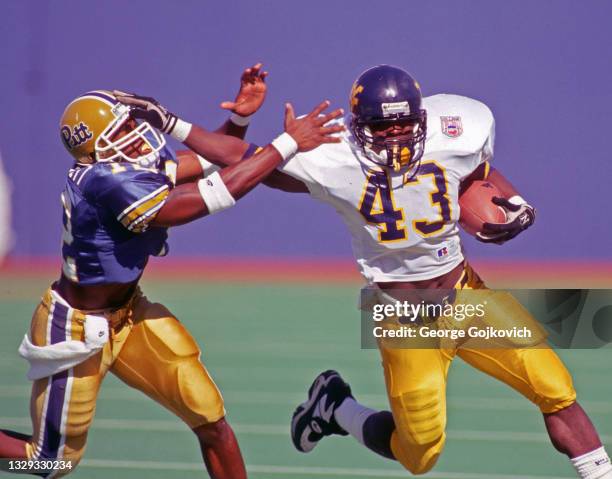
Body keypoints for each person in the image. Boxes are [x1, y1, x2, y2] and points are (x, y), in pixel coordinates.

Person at [195, 64, 610, 478]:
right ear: (360, 126)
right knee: (420, 455)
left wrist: (515, 201)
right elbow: (245, 161)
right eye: (382, 127)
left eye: (404, 124)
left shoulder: (454, 134)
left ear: (421, 119)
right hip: (403, 319)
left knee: (557, 390)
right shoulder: (335, 158)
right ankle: (337, 408)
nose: (395, 136)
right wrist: (222, 125)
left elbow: (478, 170)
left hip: (467, 297)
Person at [0, 64, 344, 479]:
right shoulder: (105, 181)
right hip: (75, 328)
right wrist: (287, 143)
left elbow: (211, 163)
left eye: (131, 126)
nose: (136, 136)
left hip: (129, 313)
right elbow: (207, 198)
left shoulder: (125, 167)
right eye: (121, 132)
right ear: (94, 150)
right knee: (49, 462)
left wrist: (240, 120)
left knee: (211, 420)